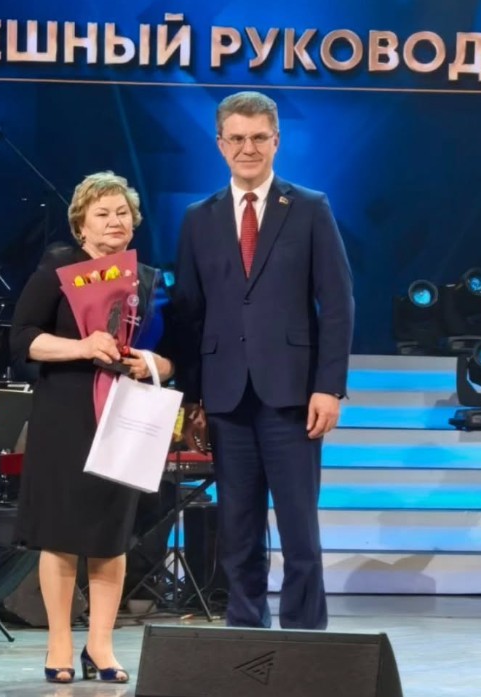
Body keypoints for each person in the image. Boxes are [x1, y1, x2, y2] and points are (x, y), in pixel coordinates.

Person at [172, 91, 354, 630]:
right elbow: (188, 312)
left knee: (299, 529)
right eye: (237, 138)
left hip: (293, 395)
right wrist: (192, 398)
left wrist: (330, 386)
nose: (247, 148)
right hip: (226, 396)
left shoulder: (310, 207)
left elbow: (338, 302)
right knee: (237, 526)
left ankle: (305, 636)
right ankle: (245, 629)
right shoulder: (198, 218)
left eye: (258, 138)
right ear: (220, 144)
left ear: (277, 141)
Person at [10, 171, 173, 684]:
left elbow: (173, 354)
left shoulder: (149, 279)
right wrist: (83, 347)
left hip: (125, 413)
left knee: (111, 535)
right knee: (60, 533)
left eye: (122, 212)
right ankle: (60, 642)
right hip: (65, 411)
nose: (113, 221)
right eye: (102, 213)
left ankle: (100, 645)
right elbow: (22, 339)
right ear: (81, 225)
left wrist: (150, 362)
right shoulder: (59, 267)